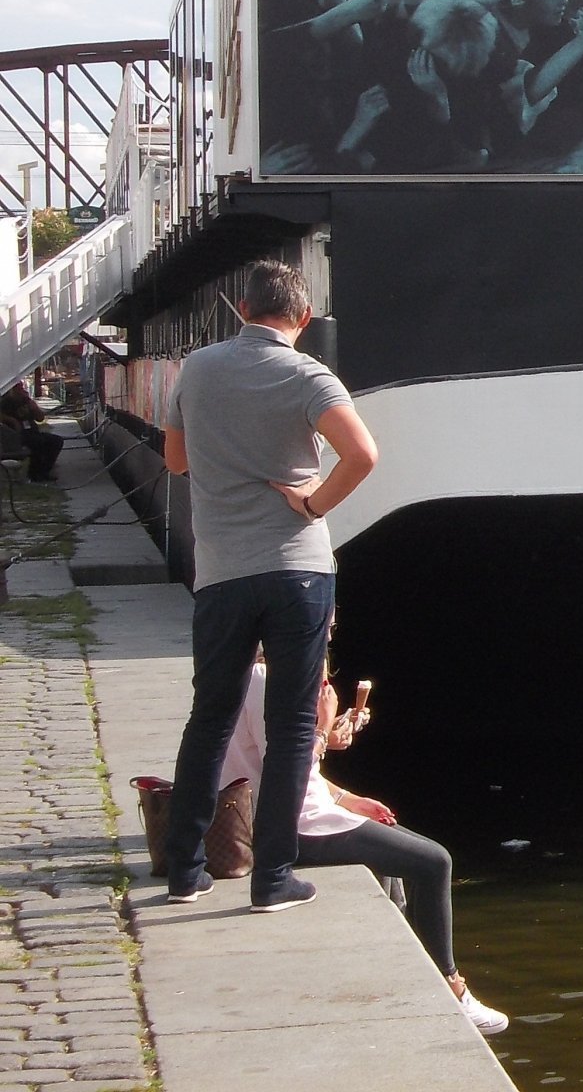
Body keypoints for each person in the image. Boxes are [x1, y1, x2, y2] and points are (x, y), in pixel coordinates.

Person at [161, 261, 379, 913]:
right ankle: (273, 877)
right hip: (298, 571)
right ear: (303, 319)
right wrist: (313, 504)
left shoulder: (197, 370)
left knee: (211, 716)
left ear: (242, 309)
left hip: (223, 571)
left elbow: (175, 460)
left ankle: (184, 872)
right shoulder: (309, 374)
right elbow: (363, 453)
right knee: (290, 726)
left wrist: (229, 453)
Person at [220, 654, 509, 1035]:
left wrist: (346, 799)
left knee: (401, 847)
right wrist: (323, 729)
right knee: (434, 862)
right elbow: (283, 766)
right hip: (290, 824)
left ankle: (416, 968)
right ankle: (451, 985)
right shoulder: (265, 680)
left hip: (301, 810)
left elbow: (289, 766)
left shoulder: (254, 675)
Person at [0, 383, 62, 482]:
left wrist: (34, 407)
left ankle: (45, 471)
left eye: (22, 388)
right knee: (38, 444)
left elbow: (40, 418)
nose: (22, 390)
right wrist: (12, 421)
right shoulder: (6, 402)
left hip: (32, 431)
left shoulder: (26, 401)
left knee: (56, 441)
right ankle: (34, 473)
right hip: (17, 435)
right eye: (18, 388)